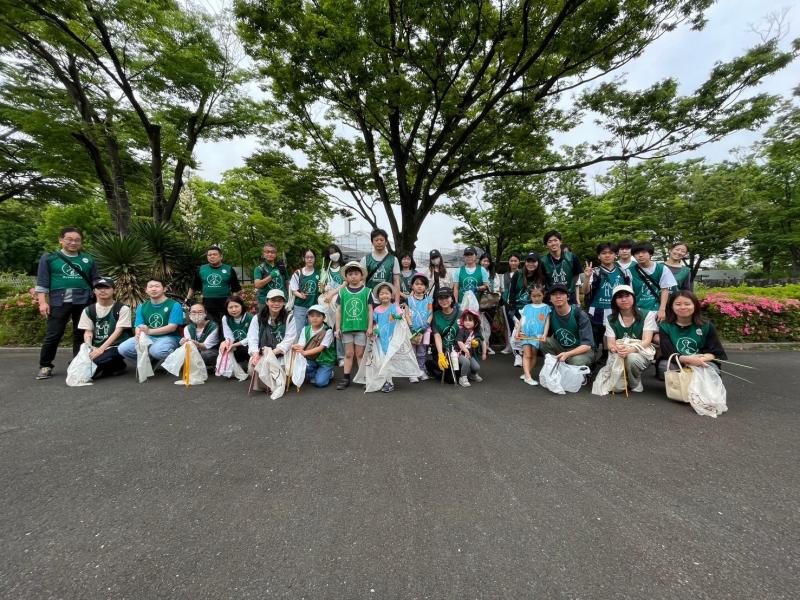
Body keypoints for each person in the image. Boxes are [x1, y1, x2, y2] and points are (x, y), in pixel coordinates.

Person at [35, 227, 99, 379]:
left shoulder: (88, 259)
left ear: (81, 242)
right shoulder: (50, 258)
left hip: (84, 301)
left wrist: (101, 292)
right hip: (59, 302)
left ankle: (78, 363)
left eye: (77, 240)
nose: (73, 242)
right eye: (69, 239)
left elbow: (95, 279)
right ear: (61, 240)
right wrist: (42, 303)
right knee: (53, 334)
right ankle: (45, 366)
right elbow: (42, 282)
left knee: (81, 334)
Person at [658, 290, 727, 378]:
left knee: (712, 370)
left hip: (701, 361)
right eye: (678, 304)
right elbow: (667, 351)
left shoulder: (706, 326)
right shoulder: (665, 326)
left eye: (687, 304)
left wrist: (699, 360)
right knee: (664, 367)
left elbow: (716, 351)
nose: (683, 307)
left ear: (695, 306)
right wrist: (687, 359)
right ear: (671, 306)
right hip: (677, 361)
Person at [604, 285, 658, 392]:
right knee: (617, 389)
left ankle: (635, 381)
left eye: (627, 296)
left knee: (632, 358)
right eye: (619, 297)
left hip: (639, 352)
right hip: (619, 353)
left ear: (633, 297)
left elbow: (647, 340)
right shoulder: (610, 319)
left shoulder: (647, 314)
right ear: (615, 301)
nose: (624, 300)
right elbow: (610, 343)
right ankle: (624, 378)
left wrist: (631, 350)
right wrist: (615, 350)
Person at [118, 278, 184, 364]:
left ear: (164, 289)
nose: (153, 289)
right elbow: (139, 325)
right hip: (147, 337)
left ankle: (179, 359)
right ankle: (149, 363)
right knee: (123, 348)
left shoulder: (174, 305)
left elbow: (172, 327)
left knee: (156, 351)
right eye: (150, 287)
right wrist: (138, 334)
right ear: (146, 290)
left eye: (157, 286)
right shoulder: (142, 306)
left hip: (169, 337)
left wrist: (149, 331)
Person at [78, 277, 131, 379]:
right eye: (99, 288)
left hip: (117, 345)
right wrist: (90, 348)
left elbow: (118, 331)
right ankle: (116, 366)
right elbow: (88, 332)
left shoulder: (122, 308)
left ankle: (118, 365)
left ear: (114, 290)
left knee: (93, 365)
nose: (102, 290)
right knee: (77, 364)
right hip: (97, 346)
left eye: (106, 288)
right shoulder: (89, 310)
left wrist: (101, 350)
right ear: (94, 291)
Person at [581, 242, 629, 354]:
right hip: (597, 310)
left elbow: (628, 291)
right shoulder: (594, 271)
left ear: (615, 255)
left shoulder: (623, 272)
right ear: (599, 256)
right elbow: (585, 291)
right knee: (595, 338)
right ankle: (591, 361)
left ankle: (608, 359)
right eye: (603, 253)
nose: (607, 255)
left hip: (616, 309)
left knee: (613, 337)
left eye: (610, 253)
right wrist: (587, 278)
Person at [335, 261, 372, 390]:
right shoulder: (342, 292)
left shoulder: (367, 291)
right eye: (350, 274)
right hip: (347, 328)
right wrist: (338, 328)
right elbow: (338, 310)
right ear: (346, 277)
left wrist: (370, 327)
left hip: (361, 328)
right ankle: (346, 378)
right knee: (348, 354)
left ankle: (363, 378)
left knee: (360, 355)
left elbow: (370, 310)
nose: (353, 276)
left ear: (361, 276)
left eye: (356, 273)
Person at [540, 284, 596, 367]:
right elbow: (541, 334)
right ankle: (554, 366)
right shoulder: (550, 314)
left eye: (561, 293)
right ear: (550, 299)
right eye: (554, 294)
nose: (558, 296)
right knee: (544, 341)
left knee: (576, 361)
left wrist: (567, 354)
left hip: (581, 351)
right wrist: (525, 332)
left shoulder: (579, 314)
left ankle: (585, 369)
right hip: (562, 348)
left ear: (568, 297)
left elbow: (587, 346)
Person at [509, 252, 546, 367]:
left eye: (533, 261)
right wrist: (512, 308)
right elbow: (512, 292)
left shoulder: (541, 277)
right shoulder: (518, 274)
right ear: (525, 262)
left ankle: (527, 355)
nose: (530, 264)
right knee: (516, 335)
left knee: (529, 334)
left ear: (538, 263)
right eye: (528, 261)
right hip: (519, 310)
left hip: (533, 311)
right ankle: (518, 356)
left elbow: (543, 294)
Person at [186, 245, 241, 323]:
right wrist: (187, 299)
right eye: (209, 255)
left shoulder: (229, 269)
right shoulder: (201, 269)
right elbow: (193, 287)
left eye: (214, 254)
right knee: (210, 326)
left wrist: (233, 303)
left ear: (221, 256)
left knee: (225, 326)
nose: (212, 256)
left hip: (225, 303)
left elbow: (236, 288)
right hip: (208, 303)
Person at [368, 282, 406, 392]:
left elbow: (401, 319)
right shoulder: (376, 310)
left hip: (391, 338)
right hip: (380, 338)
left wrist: (399, 316)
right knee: (380, 360)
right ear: (378, 296)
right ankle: (383, 381)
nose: (384, 296)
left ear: (391, 295)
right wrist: (374, 329)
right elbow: (374, 322)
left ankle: (389, 382)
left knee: (388, 361)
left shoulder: (395, 308)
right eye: (381, 294)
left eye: (386, 293)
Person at [629, 241, 677, 322]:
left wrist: (662, 310)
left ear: (650, 254)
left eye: (644, 252)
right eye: (637, 253)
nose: (640, 255)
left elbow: (665, 290)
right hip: (638, 309)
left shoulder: (662, 269)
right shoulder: (629, 271)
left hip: (657, 309)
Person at [292, 304, 336, 388]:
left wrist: (304, 352)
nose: (314, 318)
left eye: (318, 316)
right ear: (308, 317)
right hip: (311, 359)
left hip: (325, 360)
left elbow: (321, 348)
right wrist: (295, 347)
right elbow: (301, 344)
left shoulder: (328, 330)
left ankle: (328, 373)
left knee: (320, 383)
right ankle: (320, 373)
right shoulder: (305, 329)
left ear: (323, 318)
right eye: (312, 316)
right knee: (298, 368)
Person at [516, 285, 551, 386]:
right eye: (533, 296)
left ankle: (527, 373)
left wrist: (545, 334)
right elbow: (522, 320)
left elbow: (547, 322)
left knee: (533, 355)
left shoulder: (546, 308)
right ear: (530, 296)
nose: (536, 298)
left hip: (537, 335)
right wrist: (518, 331)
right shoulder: (526, 307)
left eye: (539, 295)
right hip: (525, 334)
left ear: (543, 295)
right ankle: (527, 376)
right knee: (527, 354)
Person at [425, 286, 460, 383]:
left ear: (452, 298)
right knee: (451, 379)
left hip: (457, 350)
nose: (444, 300)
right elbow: (437, 335)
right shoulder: (435, 315)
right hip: (442, 350)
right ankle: (431, 364)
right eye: (440, 298)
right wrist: (440, 354)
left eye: (446, 297)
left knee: (457, 374)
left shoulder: (460, 313)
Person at [359, 228, 400, 303]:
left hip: (387, 299)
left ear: (386, 242)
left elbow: (396, 282)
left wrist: (397, 303)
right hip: (369, 299)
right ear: (372, 242)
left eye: (381, 240)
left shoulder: (394, 260)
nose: (379, 242)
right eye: (376, 240)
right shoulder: (365, 259)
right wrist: (362, 300)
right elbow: (362, 281)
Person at [405, 272, 433, 383]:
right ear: (412, 286)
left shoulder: (429, 300)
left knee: (422, 351)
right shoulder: (409, 300)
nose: (419, 286)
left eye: (422, 284)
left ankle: (421, 370)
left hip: (424, 330)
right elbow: (406, 313)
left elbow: (430, 313)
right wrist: (411, 325)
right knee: (411, 351)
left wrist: (427, 324)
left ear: (426, 287)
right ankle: (412, 372)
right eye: (417, 284)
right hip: (412, 329)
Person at [541, 230, 582, 304]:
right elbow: (542, 281)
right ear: (546, 245)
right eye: (549, 242)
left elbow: (576, 276)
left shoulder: (572, 257)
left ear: (560, 242)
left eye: (555, 240)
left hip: (569, 295)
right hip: (552, 297)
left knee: (574, 314)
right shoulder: (543, 261)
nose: (553, 243)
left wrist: (569, 286)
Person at [290, 249, 322, 332]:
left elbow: (321, 291)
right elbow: (293, 290)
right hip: (300, 307)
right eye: (307, 257)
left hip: (314, 308)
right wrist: (301, 295)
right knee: (298, 331)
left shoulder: (319, 274)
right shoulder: (298, 273)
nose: (309, 259)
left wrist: (323, 287)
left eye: (312, 257)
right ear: (303, 259)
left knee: (311, 332)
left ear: (314, 259)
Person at [455, 308, 486, 387]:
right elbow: (459, 342)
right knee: (466, 362)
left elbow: (483, 341)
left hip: (469, 354)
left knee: (476, 367)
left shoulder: (477, 332)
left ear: (475, 322)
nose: (467, 322)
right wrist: (466, 351)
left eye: (470, 320)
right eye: (465, 320)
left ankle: (473, 374)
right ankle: (463, 378)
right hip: (459, 353)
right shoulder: (462, 330)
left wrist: (484, 353)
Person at [253, 242, 288, 312]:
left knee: (282, 322)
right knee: (264, 322)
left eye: (272, 252)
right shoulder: (259, 268)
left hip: (280, 301)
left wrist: (288, 297)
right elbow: (257, 284)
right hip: (265, 302)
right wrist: (271, 276)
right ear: (263, 254)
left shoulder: (281, 266)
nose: (270, 254)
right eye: (267, 252)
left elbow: (287, 282)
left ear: (275, 254)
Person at [219, 295, 253, 365]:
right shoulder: (225, 318)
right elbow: (228, 335)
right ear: (226, 308)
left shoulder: (251, 318)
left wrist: (234, 345)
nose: (234, 310)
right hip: (236, 344)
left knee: (245, 349)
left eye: (236, 306)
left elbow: (251, 338)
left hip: (249, 344)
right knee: (224, 348)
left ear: (242, 306)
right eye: (230, 307)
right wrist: (226, 343)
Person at [500, 252, 521, 354]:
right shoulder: (505, 275)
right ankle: (509, 346)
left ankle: (520, 348)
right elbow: (502, 289)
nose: (513, 263)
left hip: (519, 303)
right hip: (507, 303)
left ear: (519, 262)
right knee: (508, 325)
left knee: (519, 325)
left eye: (515, 261)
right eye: (511, 261)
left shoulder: (522, 273)